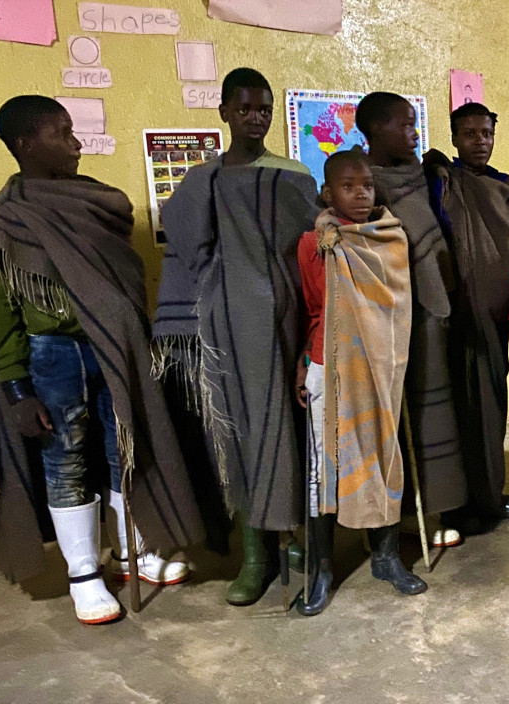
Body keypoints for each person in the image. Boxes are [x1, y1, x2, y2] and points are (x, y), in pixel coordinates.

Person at [0, 96, 201, 624]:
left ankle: (133, 551)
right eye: (62, 133)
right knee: (64, 460)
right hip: (50, 359)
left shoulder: (99, 205)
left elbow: (121, 285)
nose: (76, 143)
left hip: (113, 349)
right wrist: (17, 389)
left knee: (123, 448)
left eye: (73, 131)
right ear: (26, 145)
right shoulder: (2, 222)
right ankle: (84, 573)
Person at [152, 68, 317, 605]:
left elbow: (307, 249)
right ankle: (255, 556)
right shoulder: (202, 182)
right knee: (241, 434)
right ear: (223, 112)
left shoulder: (292, 175)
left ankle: (294, 536)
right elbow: (186, 254)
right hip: (228, 329)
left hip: (287, 325)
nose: (256, 117)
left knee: (292, 430)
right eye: (244, 108)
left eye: (265, 108)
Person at [295, 151, 426, 616]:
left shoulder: (390, 240)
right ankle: (321, 569)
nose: (361, 193)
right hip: (328, 368)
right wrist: (306, 358)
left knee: (380, 456)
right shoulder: (316, 242)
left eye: (367, 184)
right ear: (328, 193)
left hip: (381, 365)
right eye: (348, 186)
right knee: (325, 467)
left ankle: (386, 557)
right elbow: (314, 309)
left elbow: (396, 307)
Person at [356, 92, 468, 548]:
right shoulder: (366, 184)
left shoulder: (419, 176)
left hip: (431, 319)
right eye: (405, 125)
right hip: (394, 320)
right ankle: (395, 515)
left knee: (433, 413)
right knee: (396, 419)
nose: (414, 133)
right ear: (375, 130)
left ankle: (434, 506)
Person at [423, 103, 509, 534]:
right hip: (456, 312)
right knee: (456, 407)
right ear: (454, 138)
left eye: (486, 133)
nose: (479, 141)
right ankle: (454, 502)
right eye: (469, 134)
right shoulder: (443, 181)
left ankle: (490, 493)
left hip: (494, 315)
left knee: (491, 405)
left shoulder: (505, 187)